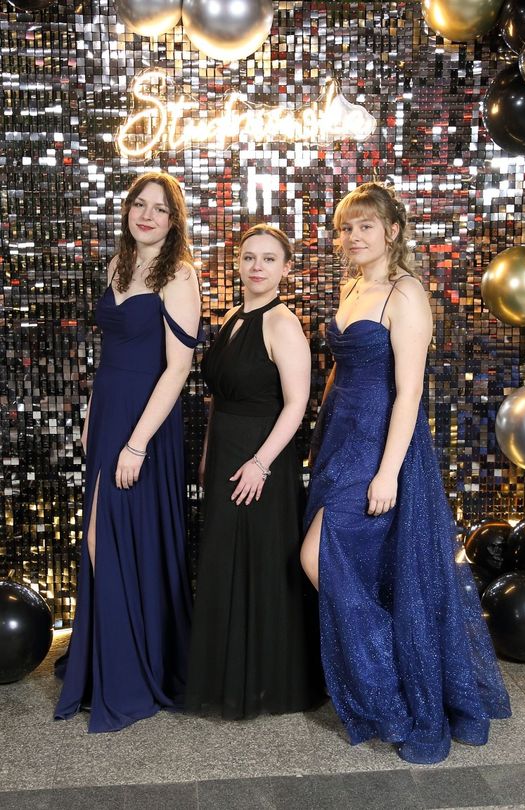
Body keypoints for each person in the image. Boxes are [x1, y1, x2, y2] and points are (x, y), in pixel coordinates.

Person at [300, 182, 511, 764]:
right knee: (357, 566)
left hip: (381, 442)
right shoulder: (352, 286)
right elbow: (341, 372)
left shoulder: (406, 293)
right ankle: (387, 675)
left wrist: (388, 471)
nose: (353, 237)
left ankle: (395, 684)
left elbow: (410, 392)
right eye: (346, 228)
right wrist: (319, 438)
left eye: (365, 226)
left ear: (392, 231)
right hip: (340, 439)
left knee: (319, 556)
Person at [55, 171, 202, 733]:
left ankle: (133, 669)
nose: (146, 215)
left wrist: (137, 442)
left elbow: (178, 368)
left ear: (173, 220)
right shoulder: (117, 265)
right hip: (109, 411)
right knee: (101, 535)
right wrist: (92, 417)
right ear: (127, 210)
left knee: (111, 535)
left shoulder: (180, 274)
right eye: (139, 204)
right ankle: (107, 661)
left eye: (159, 209)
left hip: (147, 418)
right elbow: (110, 353)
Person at [185, 224, 324, 718]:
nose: (257, 266)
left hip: (262, 457)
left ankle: (267, 682)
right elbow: (219, 399)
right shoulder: (232, 316)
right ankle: (229, 676)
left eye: (268, 258)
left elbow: (297, 404)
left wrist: (260, 464)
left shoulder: (283, 323)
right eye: (249, 257)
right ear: (238, 263)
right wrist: (208, 452)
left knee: (260, 561)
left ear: (286, 268)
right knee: (226, 559)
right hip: (226, 451)